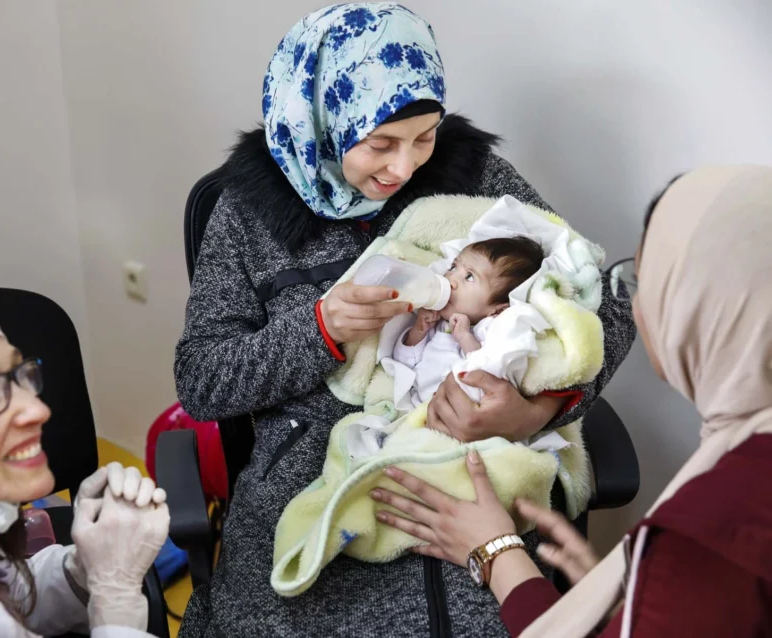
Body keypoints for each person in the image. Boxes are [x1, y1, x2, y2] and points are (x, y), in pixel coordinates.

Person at [175, 4, 634, 636]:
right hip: (309, 482)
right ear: (324, 123)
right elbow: (202, 381)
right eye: (380, 144)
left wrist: (537, 411)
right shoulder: (247, 214)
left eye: (425, 138)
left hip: (462, 472)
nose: (404, 168)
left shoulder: (477, 181)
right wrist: (320, 331)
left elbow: (600, 299)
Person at [372, 166, 772, 636]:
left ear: (708, 309)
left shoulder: (712, 539)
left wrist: (495, 551)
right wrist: (617, 598)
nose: (637, 309)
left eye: (644, 283)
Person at [0, 277, 170, 637]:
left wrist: (85, 569)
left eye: (17, 375)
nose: (37, 408)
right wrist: (115, 607)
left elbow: (7, 594)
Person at [396, 237, 544, 406]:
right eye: (453, 267)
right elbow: (403, 365)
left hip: (457, 414)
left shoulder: (489, 330)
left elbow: (488, 374)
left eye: (469, 277)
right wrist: (418, 331)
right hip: (417, 406)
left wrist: (465, 338)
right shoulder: (437, 321)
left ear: (497, 309)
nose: (451, 280)